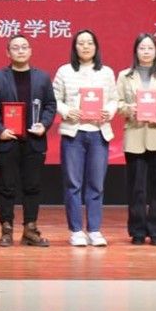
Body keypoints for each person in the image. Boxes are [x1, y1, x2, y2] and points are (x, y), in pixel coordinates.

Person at [0, 34, 57, 247]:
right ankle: (6, 229)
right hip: (7, 140)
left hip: (34, 140)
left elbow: (50, 105)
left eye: (24, 47)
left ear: (30, 51)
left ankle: (30, 230)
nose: (21, 51)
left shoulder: (42, 77)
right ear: (8, 52)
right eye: (15, 48)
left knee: (32, 186)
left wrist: (44, 124)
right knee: (6, 186)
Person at [53, 29, 117, 247]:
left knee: (96, 184)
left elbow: (114, 99)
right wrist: (66, 111)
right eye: (81, 43)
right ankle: (76, 230)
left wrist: (109, 111)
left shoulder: (106, 72)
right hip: (74, 133)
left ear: (96, 47)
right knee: (73, 184)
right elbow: (54, 98)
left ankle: (95, 230)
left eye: (90, 43)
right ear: (75, 47)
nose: (86, 46)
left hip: (99, 133)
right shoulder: (64, 71)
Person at [116, 33, 156, 245]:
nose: (146, 52)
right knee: (137, 188)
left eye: (150, 48)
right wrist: (129, 109)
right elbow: (117, 102)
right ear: (136, 51)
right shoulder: (125, 76)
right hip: (135, 135)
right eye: (142, 48)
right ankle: (137, 230)